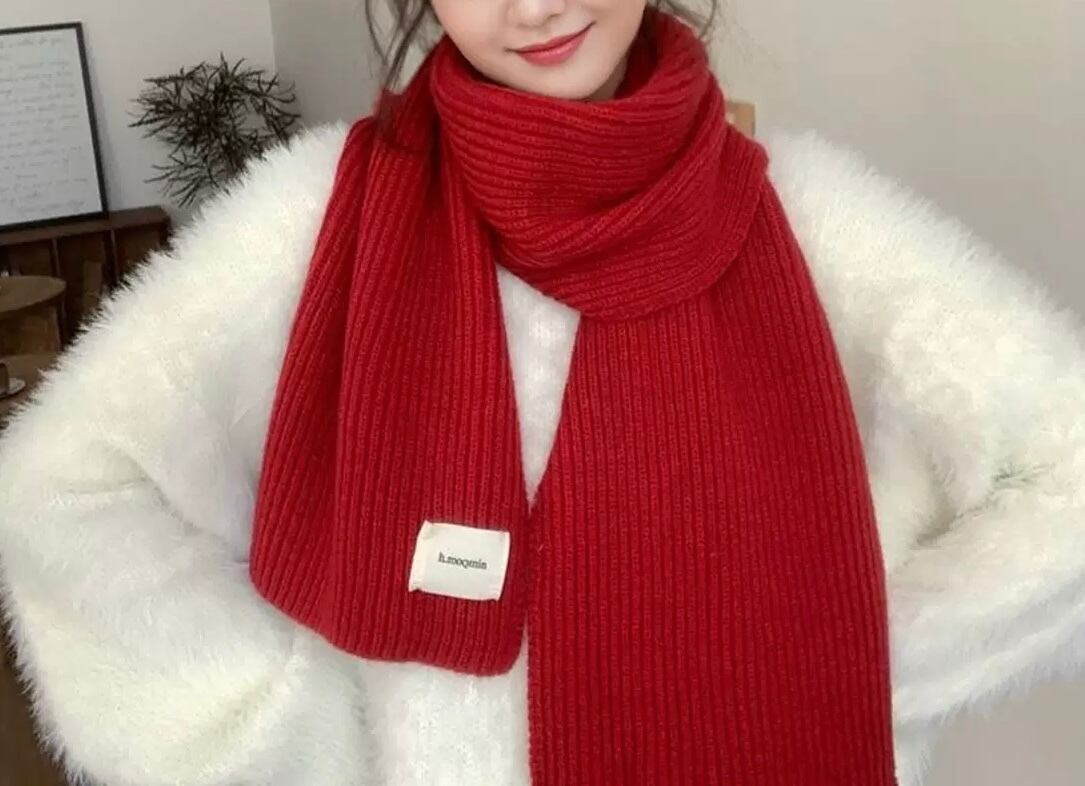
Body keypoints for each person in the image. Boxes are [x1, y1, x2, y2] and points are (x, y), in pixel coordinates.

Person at [1, 0, 1083, 784]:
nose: (534, 7)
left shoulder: (811, 219)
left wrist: (847, 666)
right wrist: (286, 734)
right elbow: (65, 485)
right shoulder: (314, 217)